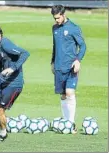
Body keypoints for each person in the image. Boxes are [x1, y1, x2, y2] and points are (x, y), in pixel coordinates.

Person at [50, 5, 86, 133]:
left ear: (63, 14)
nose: (56, 21)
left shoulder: (74, 28)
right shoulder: (54, 28)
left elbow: (83, 46)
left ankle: (71, 123)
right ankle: (66, 122)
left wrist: (78, 60)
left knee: (70, 92)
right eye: (55, 18)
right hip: (59, 67)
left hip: (71, 67)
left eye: (58, 18)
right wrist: (52, 62)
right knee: (63, 95)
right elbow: (55, 47)